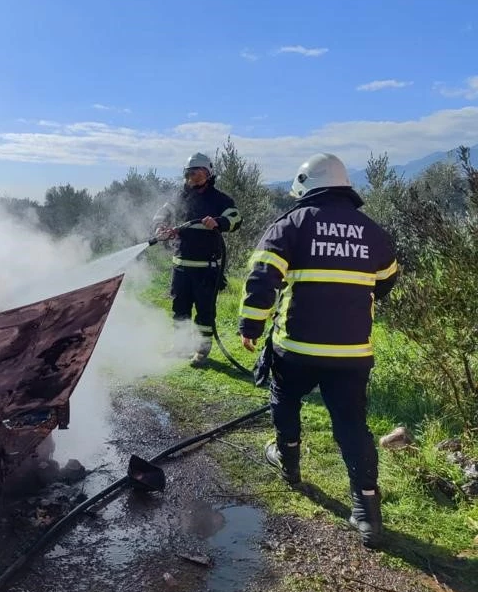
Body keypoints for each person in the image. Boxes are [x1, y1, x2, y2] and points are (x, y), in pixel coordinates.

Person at [238, 152, 398, 548]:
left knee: (284, 396)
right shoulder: (370, 231)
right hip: (351, 353)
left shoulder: (291, 224)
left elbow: (262, 278)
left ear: (306, 185)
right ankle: (366, 510)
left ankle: (288, 463)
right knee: (350, 424)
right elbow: (386, 280)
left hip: (297, 347)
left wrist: (251, 326)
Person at [153, 152, 242, 367]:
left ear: (209, 173)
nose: (193, 177)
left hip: (207, 268)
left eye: (197, 173)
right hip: (181, 265)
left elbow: (236, 219)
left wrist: (219, 222)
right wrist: (160, 227)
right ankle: (180, 346)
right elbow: (161, 214)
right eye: (189, 173)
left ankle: (201, 351)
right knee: (179, 309)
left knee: (205, 312)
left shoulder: (220, 199)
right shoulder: (180, 197)